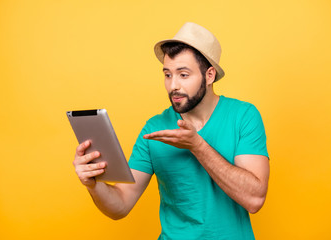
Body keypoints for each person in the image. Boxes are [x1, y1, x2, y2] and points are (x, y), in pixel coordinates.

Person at [73, 22, 270, 240]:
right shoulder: (154, 128)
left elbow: (254, 199)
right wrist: (93, 185)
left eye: (183, 75)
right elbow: (120, 205)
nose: (173, 85)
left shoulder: (243, 116)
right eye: (167, 75)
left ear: (210, 75)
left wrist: (197, 145)